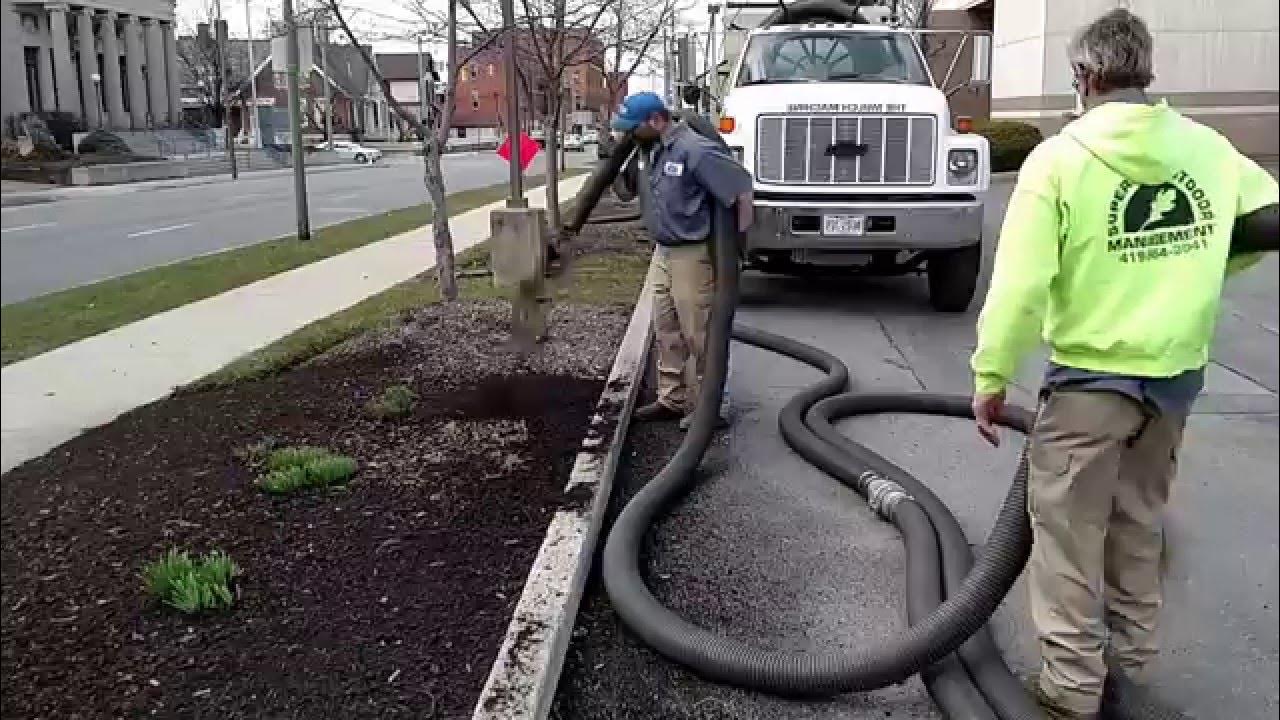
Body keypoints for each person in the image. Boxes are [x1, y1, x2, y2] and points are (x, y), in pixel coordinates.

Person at [968, 9, 1277, 720]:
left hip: (1088, 384)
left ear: (1085, 77)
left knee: (1070, 536)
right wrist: (1197, 273)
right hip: (1173, 382)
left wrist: (991, 378)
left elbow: (1018, 286)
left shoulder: (1059, 159)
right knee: (1138, 523)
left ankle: (1072, 688)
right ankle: (1131, 663)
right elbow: (1267, 217)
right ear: (1147, 72)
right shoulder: (1208, 148)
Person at [609, 91, 754, 429]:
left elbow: (742, 190)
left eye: (633, 127)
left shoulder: (696, 150)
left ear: (655, 120)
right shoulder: (650, 150)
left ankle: (711, 405)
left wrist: (735, 248)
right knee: (666, 326)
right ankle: (671, 397)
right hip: (663, 250)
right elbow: (625, 190)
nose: (628, 133)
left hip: (693, 252)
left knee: (699, 331)